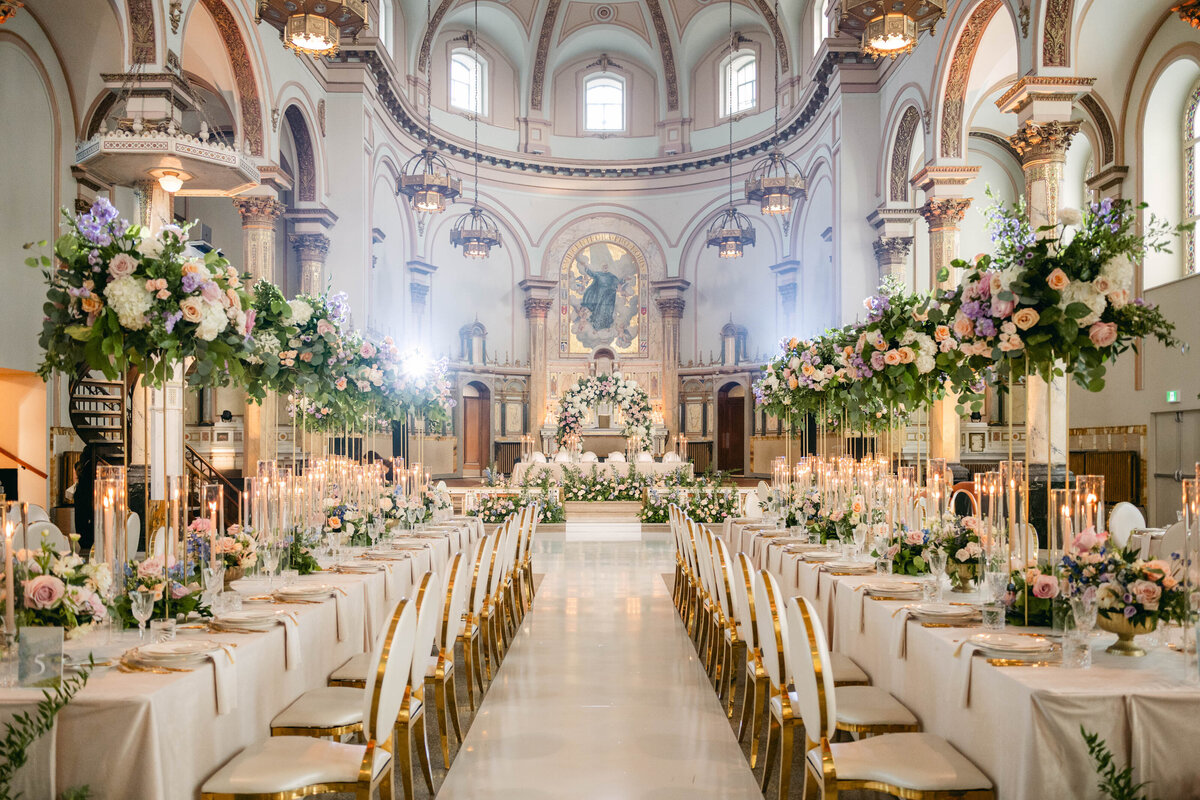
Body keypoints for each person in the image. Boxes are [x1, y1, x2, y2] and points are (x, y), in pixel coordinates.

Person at [579, 259, 619, 331]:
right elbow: (591, 273)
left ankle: (607, 325)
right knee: (599, 309)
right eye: (604, 266)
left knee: (608, 310)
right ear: (602, 268)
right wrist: (586, 266)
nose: (605, 267)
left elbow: (617, 282)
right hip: (600, 294)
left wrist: (616, 287)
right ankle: (597, 325)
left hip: (609, 296)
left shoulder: (611, 276)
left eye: (606, 266)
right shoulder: (598, 274)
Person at [73, 445, 96, 554]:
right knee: (84, 521)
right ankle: (86, 543)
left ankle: (84, 542)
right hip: (86, 495)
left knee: (80, 520)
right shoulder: (90, 466)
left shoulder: (82, 465)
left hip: (81, 494)